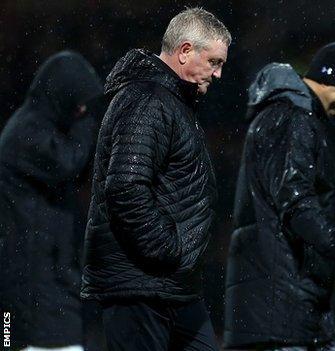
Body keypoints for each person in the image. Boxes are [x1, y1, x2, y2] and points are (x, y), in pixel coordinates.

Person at [80, 7, 230, 351]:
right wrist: (168, 250)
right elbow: (125, 187)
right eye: (215, 62)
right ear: (186, 51)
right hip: (141, 286)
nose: (218, 74)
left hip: (170, 286)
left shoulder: (170, 101)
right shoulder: (148, 99)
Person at [223, 40, 335, 351]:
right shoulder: (293, 118)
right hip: (282, 309)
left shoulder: (283, 116)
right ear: (330, 79)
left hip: (276, 304)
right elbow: (296, 202)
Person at [0, 51, 103, 350]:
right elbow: (68, 163)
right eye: (79, 101)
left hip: (45, 277)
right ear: (63, 94)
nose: (82, 109)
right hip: (32, 283)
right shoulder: (27, 131)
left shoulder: (38, 128)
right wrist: (88, 123)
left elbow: (78, 170)